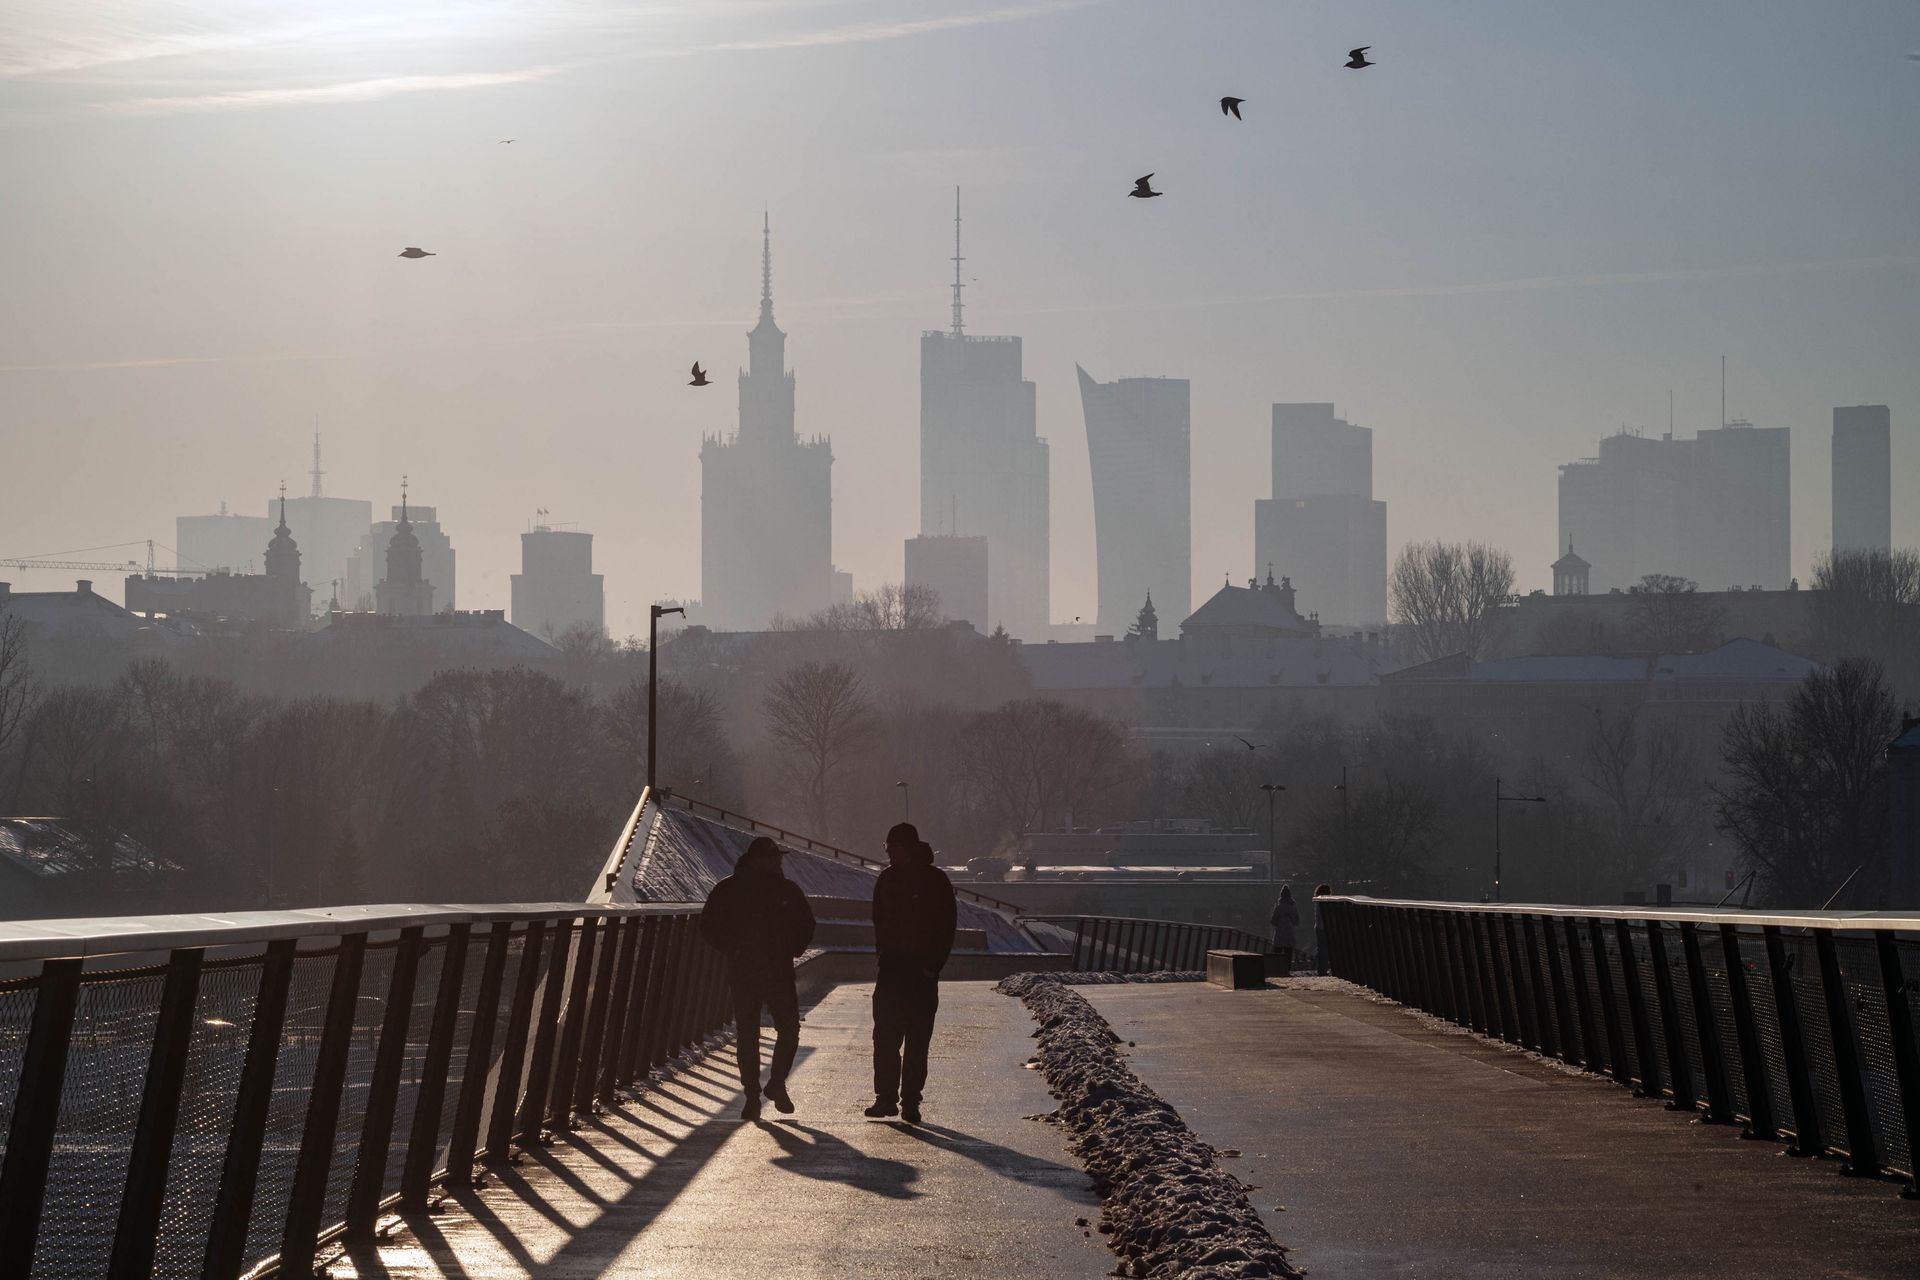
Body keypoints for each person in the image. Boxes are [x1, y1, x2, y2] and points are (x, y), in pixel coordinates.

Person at [699, 836, 815, 1121]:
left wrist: (734, 950)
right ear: (756, 860)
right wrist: (791, 948)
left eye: (778, 858)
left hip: (756, 971)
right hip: (763, 971)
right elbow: (806, 925)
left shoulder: (732, 888)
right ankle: (763, 1089)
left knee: (761, 1032)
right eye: (772, 858)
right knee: (774, 1030)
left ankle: (764, 1089)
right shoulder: (779, 890)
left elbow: (806, 924)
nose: (777, 862)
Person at [866, 822, 957, 1125]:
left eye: (893, 848)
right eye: (888, 849)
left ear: (908, 848)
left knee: (917, 1041)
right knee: (886, 1039)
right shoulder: (888, 880)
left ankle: (909, 1101)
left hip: (920, 975)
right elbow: (878, 920)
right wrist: (884, 955)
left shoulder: (934, 881)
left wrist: (932, 966)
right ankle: (887, 1098)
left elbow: (946, 927)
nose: (889, 854)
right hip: (892, 972)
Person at [1269, 884, 1299, 975]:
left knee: (1277, 952)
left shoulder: (1278, 907)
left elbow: (1273, 921)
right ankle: (1287, 970)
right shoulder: (1293, 907)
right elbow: (1297, 921)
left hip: (1280, 934)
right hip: (1290, 933)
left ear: (1281, 895)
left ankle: (1276, 969)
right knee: (1288, 953)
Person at [1312, 883, 1333, 975]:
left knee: (1321, 949)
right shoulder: (1325, 902)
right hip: (1325, 928)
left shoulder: (1318, 901)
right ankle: (1323, 969)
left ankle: (1320, 968)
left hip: (1318, 927)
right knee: (1326, 949)